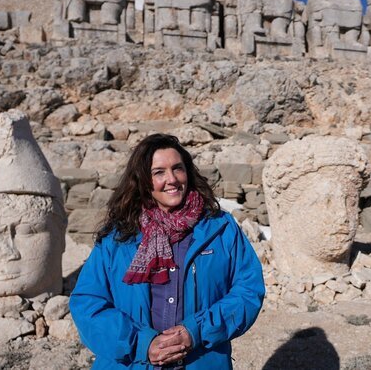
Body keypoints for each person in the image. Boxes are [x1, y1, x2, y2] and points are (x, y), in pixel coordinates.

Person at [70, 133, 265, 369]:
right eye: (158, 172)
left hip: (200, 361)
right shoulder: (118, 237)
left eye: (177, 169)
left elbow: (248, 290)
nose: (171, 179)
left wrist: (196, 331)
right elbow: (88, 302)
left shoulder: (220, 228)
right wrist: (143, 344)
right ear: (143, 180)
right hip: (132, 363)